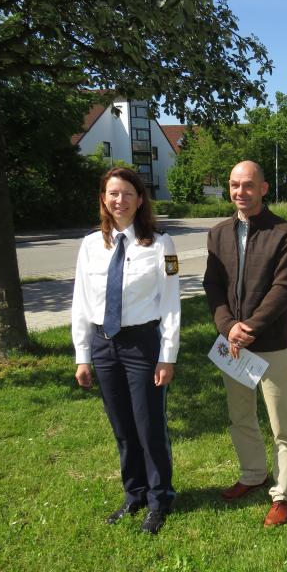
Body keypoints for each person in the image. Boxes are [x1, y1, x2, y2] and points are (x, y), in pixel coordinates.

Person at [72, 167, 180, 534]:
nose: (120, 200)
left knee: (149, 426)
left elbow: (171, 304)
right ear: (103, 198)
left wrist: (168, 354)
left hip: (142, 345)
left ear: (140, 199)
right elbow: (81, 303)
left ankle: (159, 499)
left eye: (128, 193)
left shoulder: (161, 244)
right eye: (113, 193)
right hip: (104, 346)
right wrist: (82, 355)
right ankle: (133, 496)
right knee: (122, 427)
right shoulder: (90, 245)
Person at [202, 160, 287, 527]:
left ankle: (283, 493)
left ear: (263, 188)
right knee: (240, 416)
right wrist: (229, 326)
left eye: (247, 185)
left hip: (271, 343)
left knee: (282, 425)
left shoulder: (284, 232)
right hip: (233, 345)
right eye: (233, 185)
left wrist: (251, 327)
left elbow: (283, 288)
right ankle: (252, 474)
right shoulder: (217, 233)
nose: (239, 191)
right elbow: (212, 286)